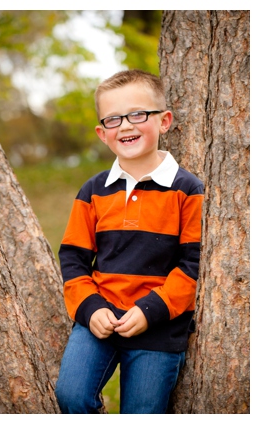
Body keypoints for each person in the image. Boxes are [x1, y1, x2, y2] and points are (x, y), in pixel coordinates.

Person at [53, 69, 203, 414]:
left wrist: (152, 310)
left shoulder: (188, 190)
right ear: (102, 133)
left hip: (159, 326)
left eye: (138, 114)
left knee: (143, 412)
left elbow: (193, 264)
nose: (126, 126)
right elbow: (73, 258)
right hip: (99, 319)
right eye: (114, 119)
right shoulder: (93, 191)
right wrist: (91, 309)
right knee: (71, 395)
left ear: (164, 121)